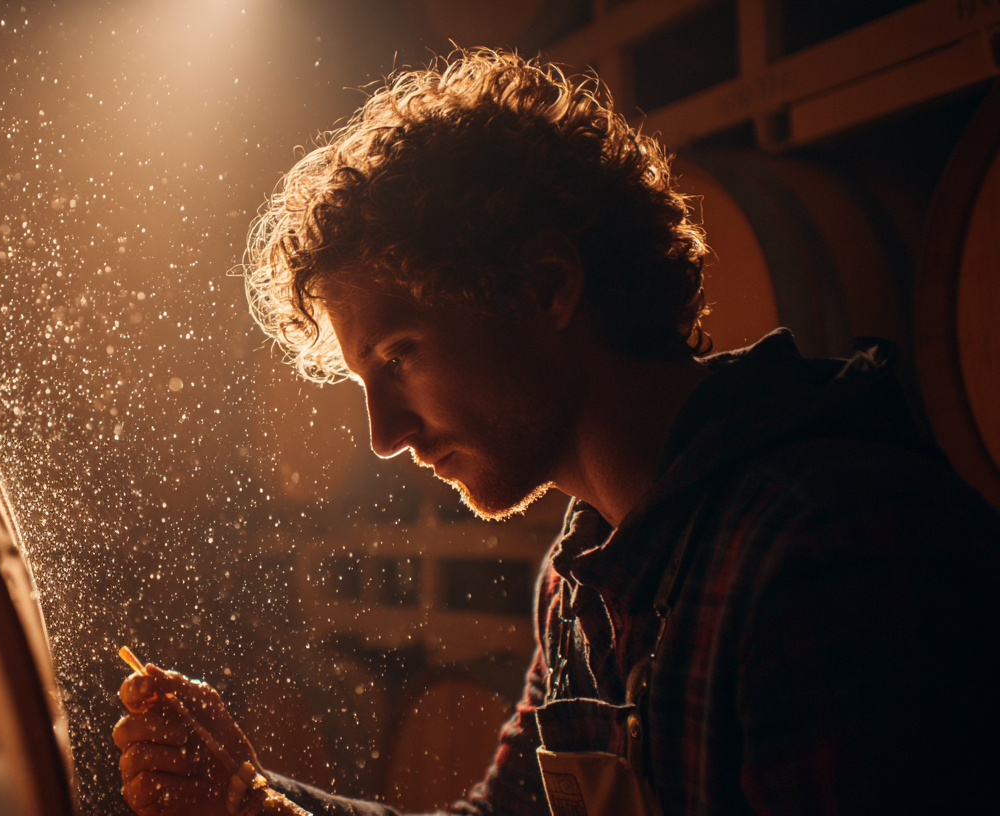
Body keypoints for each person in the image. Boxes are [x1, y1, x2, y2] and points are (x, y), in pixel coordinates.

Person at [114, 50, 1000, 816]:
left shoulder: (823, 549)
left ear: (547, 286)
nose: (381, 434)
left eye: (400, 354)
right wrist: (248, 793)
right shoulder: (582, 580)